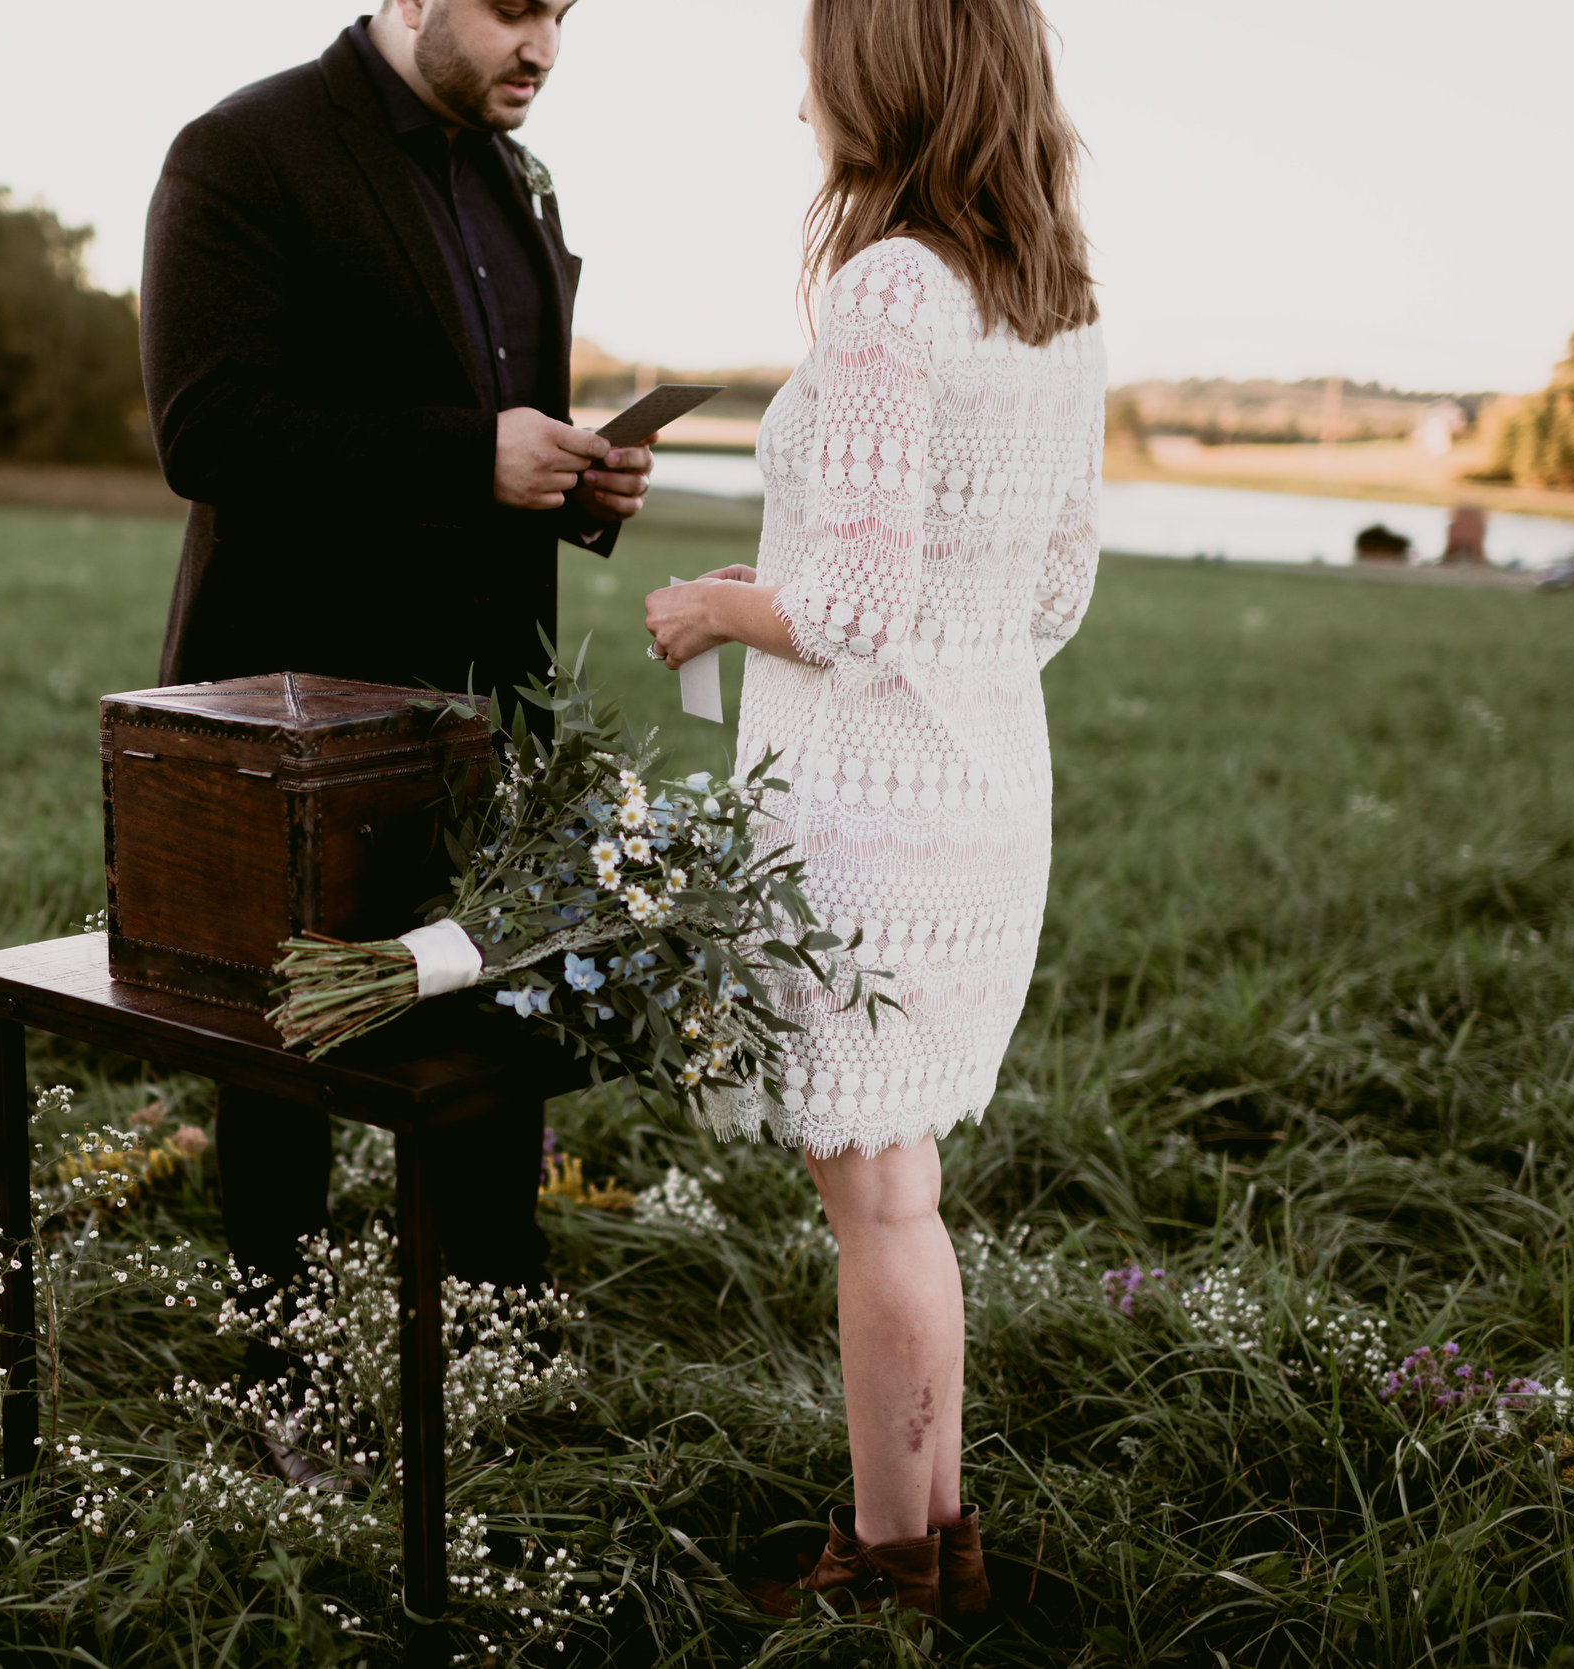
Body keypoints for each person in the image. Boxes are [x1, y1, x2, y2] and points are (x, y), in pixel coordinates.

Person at [139, 1, 654, 1479]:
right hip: (286, 706)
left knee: (499, 1012)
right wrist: (464, 451)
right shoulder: (240, 152)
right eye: (513, 8)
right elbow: (209, 428)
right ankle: (281, 1361)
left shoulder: (512, 178)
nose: (542, 45)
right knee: (284, 1047)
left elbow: (501, 445)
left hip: (489, 703)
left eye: (564, 14)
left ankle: (495, 1320)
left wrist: (575, 487)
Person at [641, 0, 1105, 1627]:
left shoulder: (894, 288)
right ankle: (936, 1537)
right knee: (901, 1190)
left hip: (869, 819)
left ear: (881, 75)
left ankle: (888, 1567)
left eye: (822, 63)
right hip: (987, 797)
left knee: (881, 1203)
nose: (807, 96)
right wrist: (953, 668)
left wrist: (711, 604)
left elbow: (839, 597)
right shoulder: (1055, 304)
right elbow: (1058, 585)